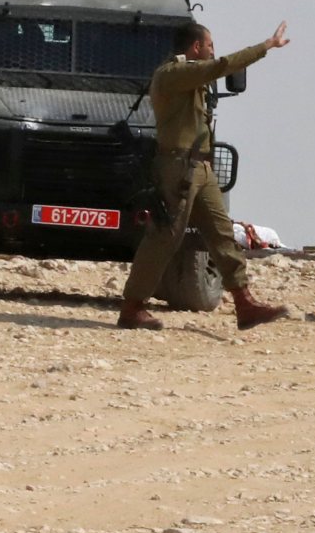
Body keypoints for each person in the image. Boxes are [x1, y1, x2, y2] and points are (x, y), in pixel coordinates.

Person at [117, 18, 290, 331]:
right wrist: (266, 46)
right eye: (209, 45)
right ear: (196, 47)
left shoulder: (190, 78)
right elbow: (220, 66)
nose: (213, 51)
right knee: (164, 237)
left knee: (222, 233)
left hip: (201, 167)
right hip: (178, 167)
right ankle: (132, 307)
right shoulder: (174, 73)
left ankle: (244, 302)